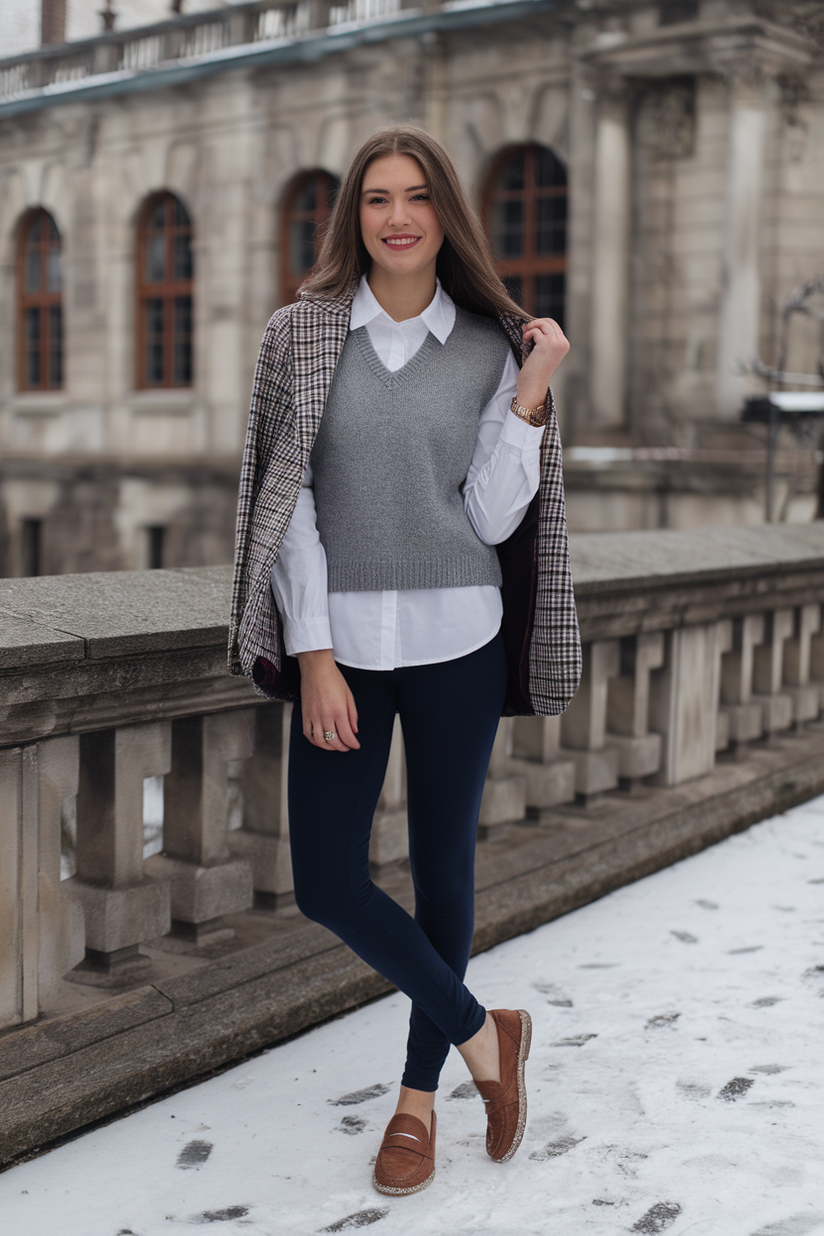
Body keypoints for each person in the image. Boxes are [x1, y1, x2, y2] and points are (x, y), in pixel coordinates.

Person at [229, 126, 581, 1195]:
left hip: (458, 641)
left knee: (443, 874)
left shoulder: (490, 343)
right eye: (376, 198)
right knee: (329, 883)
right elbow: (289, 512)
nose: (395, 216)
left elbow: (485, 511)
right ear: (353, 217)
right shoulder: (299, 335)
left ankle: (417, 1099)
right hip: (343, 647)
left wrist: (531, 393)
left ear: (444, 215)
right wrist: (316, 655)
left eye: (417, 197)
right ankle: (487, 1037)